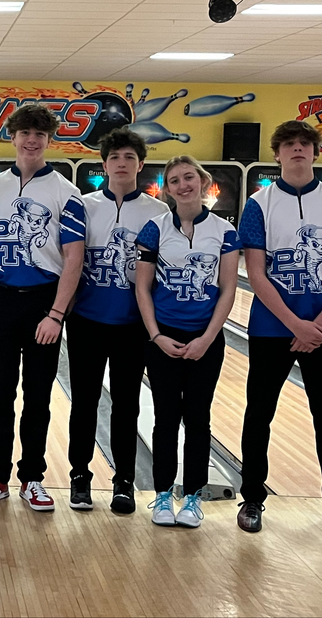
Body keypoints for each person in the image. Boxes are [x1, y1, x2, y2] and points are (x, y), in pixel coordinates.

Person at [237, 121, 322, 541]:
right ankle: (252, 497)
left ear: (315, 152)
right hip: (271, 328)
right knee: (259, 415)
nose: (297, 150)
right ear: (277, 154)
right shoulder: (259, 203)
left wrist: (319, 325)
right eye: (289, 144)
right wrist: (295, 324)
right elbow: (255, 272)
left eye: (304, 145)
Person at [0, 103, 86, 512]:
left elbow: (74, 258)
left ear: (48, 141)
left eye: (39, 134)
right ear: (13, 137)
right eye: (25, 133)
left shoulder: (66, 192)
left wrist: (56, 314)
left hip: (43, 303)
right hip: (0, 299)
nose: (31, 140)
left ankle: (32, 479)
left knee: (37, 397)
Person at [135, 156, 240, 529]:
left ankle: (193, 496)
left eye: (189, 177)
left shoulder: (225, 231)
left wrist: (207, 338)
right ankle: (163, 493)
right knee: (165, 418)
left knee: (198, 418)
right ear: (168, 188)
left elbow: (228, 288)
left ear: (203, 181)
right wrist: (156, 335)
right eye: (175, 180)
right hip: (163, 336)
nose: (183, 185)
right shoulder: (154, 228)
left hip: (206, 339)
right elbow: (143, 288)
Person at [67, 127, 167, 514]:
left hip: (133, 326)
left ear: (140, 164)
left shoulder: (158, 212)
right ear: (104, 164)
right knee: (84, 403)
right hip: (87, 321)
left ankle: (123, 481)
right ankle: (79, 477)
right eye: (115, 158)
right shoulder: (84, 204)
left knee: (127, 406)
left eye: (129, 158)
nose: (121, 164)